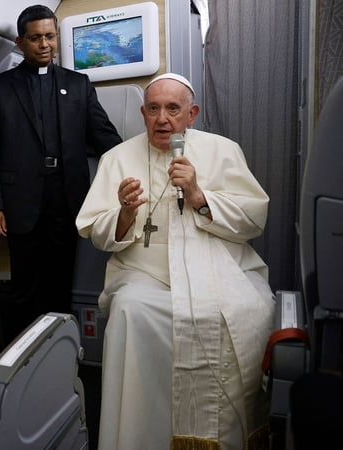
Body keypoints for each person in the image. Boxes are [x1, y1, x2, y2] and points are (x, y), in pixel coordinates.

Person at [75, 73, 275, 450]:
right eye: (153, 109)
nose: (162, 119)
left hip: (216, 263)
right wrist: (124, 213)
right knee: (130, 310)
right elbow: (97, 233)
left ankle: (224, 439)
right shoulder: (117, 158)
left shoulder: (224, 150)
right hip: (143, 270)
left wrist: (199, 196)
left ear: (191, 113)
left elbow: (253, 220)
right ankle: (137, 437)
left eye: (172, 109)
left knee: (244, 309)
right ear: (143, 114)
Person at [0, 4, 122, 342]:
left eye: (50, 36)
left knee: (60, 284)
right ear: (20, 42)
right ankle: (22, 355)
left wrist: (140, 166)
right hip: (20, 201)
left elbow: (106, 138)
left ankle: (60, 351)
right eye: (36, 38)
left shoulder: (78, 84)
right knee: (24, 287)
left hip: (67, 198)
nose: (45, 44)